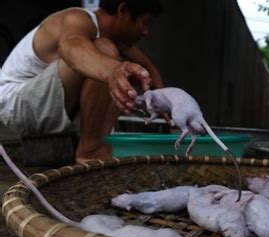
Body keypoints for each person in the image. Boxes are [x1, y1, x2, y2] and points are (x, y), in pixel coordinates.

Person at [0, 0, 164, 162]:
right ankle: (90, 151)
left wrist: (163, 102)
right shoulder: (77, 18)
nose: (145, 32)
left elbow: (148, 69)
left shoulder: (111, 36)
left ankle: (101, 144)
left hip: (41, 104)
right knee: (105, 51)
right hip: (16, 104)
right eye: (145, 23)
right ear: (123, 11)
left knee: (121, 66)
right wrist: (112, 71)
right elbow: (70, 48)